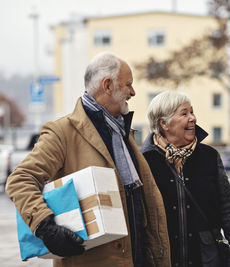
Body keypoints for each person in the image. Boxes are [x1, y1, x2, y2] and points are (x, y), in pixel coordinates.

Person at [6, 52, 170, 267]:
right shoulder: (62, 132)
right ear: (108, 85)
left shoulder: (122, 131)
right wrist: (45, 227)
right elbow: (20, 179)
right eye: (128, 84)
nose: (133, 92)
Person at [141, 90, 230, 267]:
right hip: (162, 260)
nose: (193, 118)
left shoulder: (209, 156)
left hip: (207, 259)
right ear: (164, 123)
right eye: (184, 113)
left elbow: (228, 208)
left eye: (192, 112)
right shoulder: (144, 161)